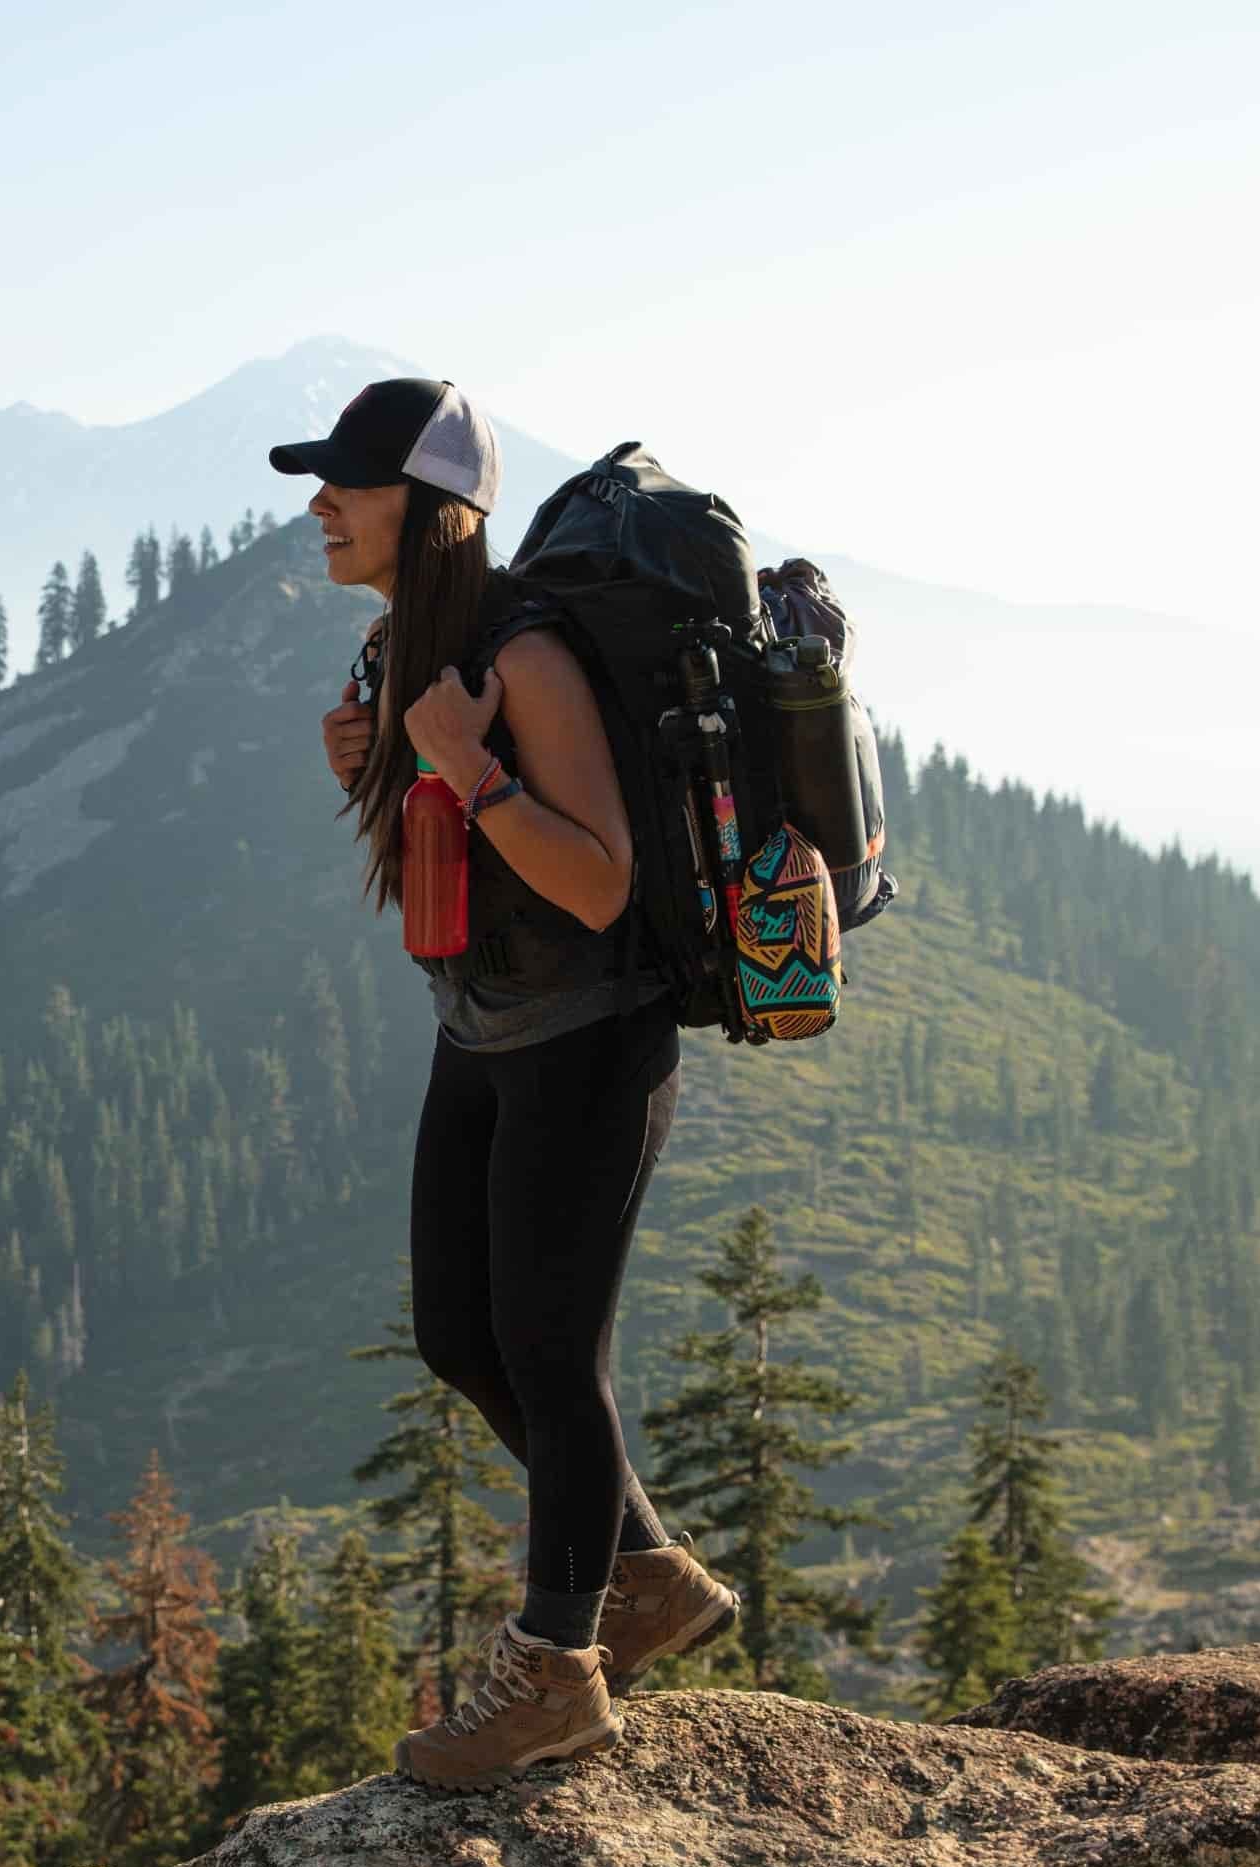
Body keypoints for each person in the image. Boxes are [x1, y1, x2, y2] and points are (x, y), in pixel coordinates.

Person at [278, 377, 742, 1790]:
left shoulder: (526, 655)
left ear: (433, 515)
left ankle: (559, 1672)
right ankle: (650, 1574)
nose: (320, 509)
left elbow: (598, 881)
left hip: (591, 1037)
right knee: (459, 1338)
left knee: (551, 1352)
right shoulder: (405, 643)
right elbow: (453, 850)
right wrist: (373, 766)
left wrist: (472, 769)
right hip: (484, 1028)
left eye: (348, 488)